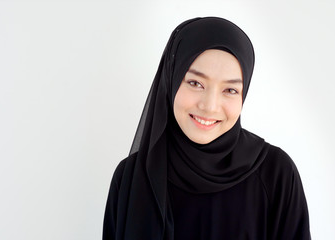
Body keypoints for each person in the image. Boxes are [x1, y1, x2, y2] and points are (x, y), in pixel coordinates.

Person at [103, 17, 311, 240]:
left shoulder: (276, 174)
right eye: (195, 83)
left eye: (230, 90)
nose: (209, 106)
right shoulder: (131, 178)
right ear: (171, 79)